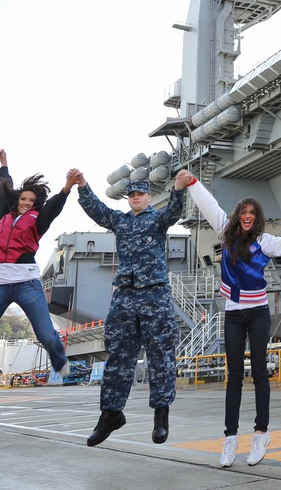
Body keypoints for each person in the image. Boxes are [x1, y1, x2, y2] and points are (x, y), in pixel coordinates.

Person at [177, 169, 281, 467]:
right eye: (244, 211)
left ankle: (261, 433)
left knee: (260, 373)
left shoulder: (263, 241)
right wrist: (192, 182)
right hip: (233, 314)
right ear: (238, 214)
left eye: (253, 212)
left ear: (257, 217)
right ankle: (230, 439)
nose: (247, 216)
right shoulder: (224, 231)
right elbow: (209, 205)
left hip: (258, 313)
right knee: (234, 376)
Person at [73, 171, 187, 447]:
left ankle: (161, 415)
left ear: (148, 197)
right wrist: (83, 186)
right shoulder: (120, 221)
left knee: (161, 352)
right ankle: (111, 413)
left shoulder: (157, 219)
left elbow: (173, 212)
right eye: (132, 196)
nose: (136, 199)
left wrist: (179, 189)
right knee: (118, 353)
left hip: (154, 292)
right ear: (129, 199)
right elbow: (98, 211)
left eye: (140, 195)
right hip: (125, 293)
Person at [0, 150, 79, 401]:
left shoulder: (38, 220)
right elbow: (2, 188)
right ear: (16, 200)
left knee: (46, 334)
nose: (26, 202)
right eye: (22, 198)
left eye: (30, 200)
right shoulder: (4, 214)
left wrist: (67, 187)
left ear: (35, 204)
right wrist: (4, 165)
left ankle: (59, 361)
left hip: (26, 283)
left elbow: (55, 206)